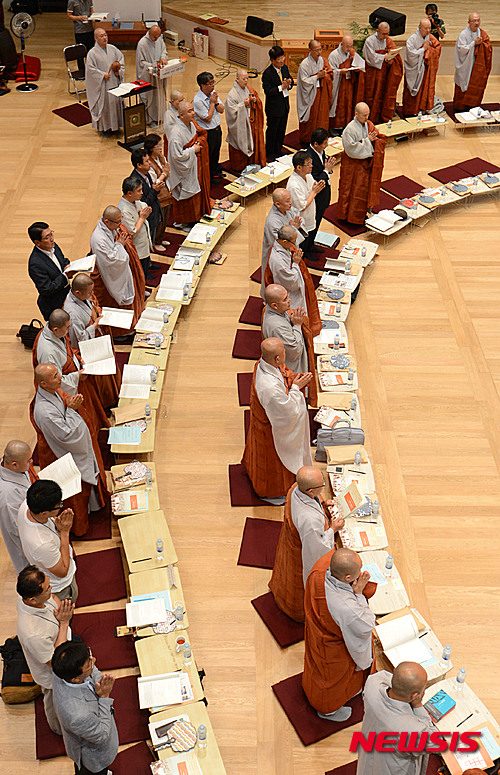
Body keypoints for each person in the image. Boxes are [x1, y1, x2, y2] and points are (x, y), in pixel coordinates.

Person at [30, 364, 109, 536]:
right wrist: (72, 411)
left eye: (58, 374)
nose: (60, 378)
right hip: (59, 453)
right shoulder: (44, 411)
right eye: (55, 376)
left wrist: (69, 407)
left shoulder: (53, 392)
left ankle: (93, 505)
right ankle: (77, 524)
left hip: (66, 445)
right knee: (75, 491)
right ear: (43, 383)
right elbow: (66, 435)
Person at [302, 547, 376, 721]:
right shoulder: (347, 606)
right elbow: (366, 625)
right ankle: (327, 710)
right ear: (348, 578)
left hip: (316, 631)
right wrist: (358, 595)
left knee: (315, 666)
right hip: (333, 645)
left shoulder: (321, 568)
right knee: (331, 680)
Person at [242, 337, 313, 503]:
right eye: (283, 352)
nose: (285, 353)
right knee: (272, 464)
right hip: (270, 430)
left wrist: (291, 380)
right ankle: (271, 492)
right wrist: (296, 388)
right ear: (277, 358)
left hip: (264, 418)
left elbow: (282, 375)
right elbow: (288, 413)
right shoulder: (270, 388)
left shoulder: (263, 362)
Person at [269, 467, 344, 621]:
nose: (323, 485)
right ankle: (299, 612)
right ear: (310, 491)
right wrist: (333, 529)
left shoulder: (294, 488)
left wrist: (322, 503)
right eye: (321, 484)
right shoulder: (310, 520)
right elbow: (318, 548)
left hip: (289, 543)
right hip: (301, 554)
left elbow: (312, 500)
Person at [16, 565, 75, 735]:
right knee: (56, 706)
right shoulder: (33, 633)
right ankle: (59, 730)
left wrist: (59, 608)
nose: (52, 589)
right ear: (32, 599)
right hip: (53, 673)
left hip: (63, 640)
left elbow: (54, 597)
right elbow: (57, 662)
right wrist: (64, 622)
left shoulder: (28, 598)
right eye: (47, 588)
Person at [33, 308, 109, 437]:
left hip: (75, 375)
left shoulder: (54, 332)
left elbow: (68, 349)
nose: (69, 330)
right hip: (67, 389)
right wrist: (77, 376)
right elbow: (55, 381)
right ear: (56, 329)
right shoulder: (48, 353)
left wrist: (78, 358)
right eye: (67, 328)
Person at [52, 640, 119, 775]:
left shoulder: (63, 670)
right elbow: (102, 734)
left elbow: (93, 672)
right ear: (76, 679)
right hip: (94, 756)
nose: (93, 660)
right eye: (89, 663)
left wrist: (99, 682)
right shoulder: (77, 715)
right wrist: (104, 696)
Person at [357, 662, 435, 775]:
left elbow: (385, 676)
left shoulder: (372, 684)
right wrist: (418, 705)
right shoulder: (413, 730)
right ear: (414, 695)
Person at [63, 273, 121, 408]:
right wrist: (94, 325)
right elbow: (80, 337)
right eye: (89, 292)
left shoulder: (80, 297)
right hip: (90, 348)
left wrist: (97, 311)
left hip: (98, 336)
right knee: (102, 378)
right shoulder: (72, 313)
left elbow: (90, 305)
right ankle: (107, 402)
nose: (91, 294)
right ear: (77, 292)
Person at [18, 479, 78, 602]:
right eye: (59, 505)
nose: (61, 507)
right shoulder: (41, 544)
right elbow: (63, 571)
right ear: (44, 513)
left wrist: (56, 522)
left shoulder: (27, 505)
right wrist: (65, 532)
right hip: (61, 587)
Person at [90, 205, 146, 333]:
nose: (120, 224)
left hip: (116, 269)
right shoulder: (99, 239)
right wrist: (120, 245)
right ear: (107, 222)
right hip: (108, 276)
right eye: (118, 222)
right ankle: (119, 332)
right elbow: (112, 261)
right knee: (114, 305)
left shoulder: (110, 227)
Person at [265, 224, 322, 340]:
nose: (295, 245)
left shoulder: (283, 245)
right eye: (293, 242)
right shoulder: (278, 260)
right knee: (296, 315)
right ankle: (299, 333)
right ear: (285, 241)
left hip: (293, 288)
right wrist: (295, 263)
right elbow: (291, 281)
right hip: (290, 292)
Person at [338, 102, 387, 225]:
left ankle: (360, 215)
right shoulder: (349, 129)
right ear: (356, 114)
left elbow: (378, 136)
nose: (366, 118)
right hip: (352, 167)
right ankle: (348, 217)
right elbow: (350, 149)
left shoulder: (368, 124)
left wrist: (375, 140)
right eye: (364, 115)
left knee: (362, 192)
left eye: (368, 115)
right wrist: (367, 141)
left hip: (364, 166)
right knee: (350, 192)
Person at [168, 100, 211, 230]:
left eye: (193, 110)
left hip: (193, 165)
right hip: (183, 169)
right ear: (181, 115)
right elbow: (177, 156)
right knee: (185, 195)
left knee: (195, 193)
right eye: (189, 111)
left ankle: (194, 218)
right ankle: (182, 222)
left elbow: (198, 136)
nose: (193, 113)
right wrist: (193, 150)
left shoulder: (191, 124)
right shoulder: (176, 134)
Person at [260, 189, 306, 299]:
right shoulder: (273, 221)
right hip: (277, 252)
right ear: (277, 204)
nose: (290, 203)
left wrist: (295, 227)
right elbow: (280, 241)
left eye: (290, 199)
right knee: (276, 279)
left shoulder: (286, 209)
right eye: (287, 201)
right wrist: (293, 228)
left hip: (288, 250)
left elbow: (297, 216)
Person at [0, 441, 36, 572]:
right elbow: (16, 529)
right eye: (28, 461)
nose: (31, 463)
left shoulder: (11, 466)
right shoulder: (7, 497)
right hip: (25, 540)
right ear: (14, 464)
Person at [224, 68, 266, 173]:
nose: (246, 81)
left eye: (247, 78)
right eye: (243, 79)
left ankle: (249, 163)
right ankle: (238, 167)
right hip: (239, 125)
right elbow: (231, 112)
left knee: (250, 142)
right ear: (237, 79)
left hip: (249, 123)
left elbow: (256, 99)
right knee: (239, 145)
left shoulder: (248, 89)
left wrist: (255, 101)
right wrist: (243, 105)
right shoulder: (232, 95)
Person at [85, 28, 124, 137]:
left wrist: (118, 71)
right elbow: (90, 71)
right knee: (105, 106)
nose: (104, 38)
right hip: (103, 85)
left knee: (114, 105)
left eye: (105, 35)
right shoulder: (92, 53)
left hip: (114, 83)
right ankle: (105, 128)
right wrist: (102, 75)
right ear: (95, 38)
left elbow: (121, 60)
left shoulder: (113, 49)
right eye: (101, 36)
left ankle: (115, 127)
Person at [28, 222, 71, 321]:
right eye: (47, 237)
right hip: (54, 305)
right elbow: (47, 289)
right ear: (37, 242)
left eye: (51, 234)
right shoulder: (35, 264)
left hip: (67, 296)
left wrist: (70, 266)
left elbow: (62, 261)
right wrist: (65, 276)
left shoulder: (53, 246)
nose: (52, 239)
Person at [286, 150, 325, 258]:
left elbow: (313, 186)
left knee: (312, 232)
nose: (311, 166)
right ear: (299, 167)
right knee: (304, 237)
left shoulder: (307, 175)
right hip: (301, 217)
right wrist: (314, 192)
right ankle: (305, 253)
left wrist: (318, 186)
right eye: (308, 164)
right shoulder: (293, 185)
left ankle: (311, 247)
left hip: (311, 210)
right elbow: (301, 206)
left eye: (311, 163)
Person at [362, 22, 403, 124]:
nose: (385, 36)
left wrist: (391, 60)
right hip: (372, 74)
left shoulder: (388, 41)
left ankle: (382, 118)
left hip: (384, 74)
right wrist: (384, 57)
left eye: (387, 34)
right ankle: (371, 120)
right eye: (383, 34)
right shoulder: (369, 41)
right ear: (377, 31)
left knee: (383, 95)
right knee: (372, 96)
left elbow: (395, 55)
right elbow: (370, 58)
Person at [262, 284, 308, 374]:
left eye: (287, 296)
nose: (289, 300)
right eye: (285, 299)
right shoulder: (277, 326)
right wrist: (297, 325)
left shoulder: (275, 310)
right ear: (275, 305)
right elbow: (295, 350)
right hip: (290, 367)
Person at [131, 148, 167, 256]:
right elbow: (144, 202)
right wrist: (155, 190)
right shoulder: (135, 181)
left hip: (153, 211)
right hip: (146, 216)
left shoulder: (145, 174)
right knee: (146, 240)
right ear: (139, 165)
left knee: (151, 236)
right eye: (146, 161)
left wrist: (156, 189)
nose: (150, 163)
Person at [296, 40, 333, 146]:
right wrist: (317, 76)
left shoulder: (323, 60)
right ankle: (307, 140)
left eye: (320, 49)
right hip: (310, 94)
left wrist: (325, 76)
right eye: (316, 50)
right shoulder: (305, 64)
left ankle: (321, 139)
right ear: (310, 51)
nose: (319, 52)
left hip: (322, 92)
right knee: (311, 117)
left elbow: (330, 74)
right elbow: (304, 81)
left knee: (321, 116)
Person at [402, 18, 441, 117]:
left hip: (426, 70)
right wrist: (423, 50)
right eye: (425, 28)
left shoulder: (430, 37)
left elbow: (437, 47)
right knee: (412, 94)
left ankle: (423, 110)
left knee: (425, 90)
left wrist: (430, 51)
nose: (428, 31)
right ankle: (411, 111)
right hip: (415, 70)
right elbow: (411, 55)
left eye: (429, 28)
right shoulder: (412, 39)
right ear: (420, 28)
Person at [453, 13, 492, 112]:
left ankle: (473, 107)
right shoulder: (463, 34)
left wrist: (482, 44)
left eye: (478, 20)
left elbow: (488, 46)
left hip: (476, 65)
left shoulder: (482, 34)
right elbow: (461, 50)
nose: (476, 23)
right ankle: (460, 108)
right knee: (462, 86)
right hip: (465, 65)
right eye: (474, 21)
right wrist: (474, 44)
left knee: (475, 85)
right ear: (468, 22)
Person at [262, 45, 294, 161]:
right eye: (278, 59)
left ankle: (278, 148)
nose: (281, 61)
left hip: (284, 105)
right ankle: (270, 152)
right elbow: (268, 91)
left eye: (282, 57)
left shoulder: (284, 68)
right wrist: (281, 87)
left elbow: (289, 79)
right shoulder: (267, 74)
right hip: (274, 108)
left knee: (281, 129)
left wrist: (289, 82)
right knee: (272, 130)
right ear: (272, 60)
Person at [118, 176, 153, 281]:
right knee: (138, 275)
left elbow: (143, 206)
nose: (142, 193)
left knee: (145, 271)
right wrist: (142, 217)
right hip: (136, 247)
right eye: (139, 191)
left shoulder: (135, 200)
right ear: (129, 193)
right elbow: (132, 232)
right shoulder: (123, 210)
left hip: (144, 242)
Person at [328, 36, 366, 132]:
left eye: (351, 46)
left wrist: (357, 69)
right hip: (339, 85)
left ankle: (347, 125)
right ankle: (335, 127)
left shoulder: (351, 53)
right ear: (341, 44)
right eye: (347, 47)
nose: (349, 49)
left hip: (349, 84)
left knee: (348, 104)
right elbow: (330, 71)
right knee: (339, 105)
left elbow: (360, 64)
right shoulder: (334, 55)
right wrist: (339, 71)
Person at [193, 71, 225, 182]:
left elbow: (221, 109)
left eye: (213, 82)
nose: (213, 85)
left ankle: (215, 171)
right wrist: (212, 103)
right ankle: (208, 178)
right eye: (210, 83)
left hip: (217, 128)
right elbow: (207, 118)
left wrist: (215, 103)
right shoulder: (198, 100)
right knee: (209, 155)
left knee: (216, 151)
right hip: (207, 132)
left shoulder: (213, 93)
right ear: (203, 85)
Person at [135, 25, 168, 127]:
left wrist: (162, 58)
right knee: (149, 97)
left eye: (158, 36)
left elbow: (164, 51)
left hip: (158, 75)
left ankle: (158, 117)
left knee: (158, 96)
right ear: (149, 34)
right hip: (147, 75)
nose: (156, 39)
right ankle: (149, 120)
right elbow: (141, 62)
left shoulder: (159, 40)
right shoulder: (142, 43)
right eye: (154, 37)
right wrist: (152, 66)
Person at [143, 133, 172, 248]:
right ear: (151, 148)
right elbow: (155, 182)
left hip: (167, 191)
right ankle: (156, 242)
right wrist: (164, 174)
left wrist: (165, 172)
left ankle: (161, 238)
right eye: (158, 146)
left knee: (165, 219)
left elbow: (167, 171)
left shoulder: (160, 158)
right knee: (159, 220)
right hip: (158, 195)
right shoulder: (149, 162)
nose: (161, 148)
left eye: (161, 145)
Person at [309, 127, 337, 238]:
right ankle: (308, 248)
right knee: (313, 224)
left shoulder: (320, 151)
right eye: (324, 143)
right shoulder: (309, 158)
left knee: (318, 222)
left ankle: (312, 244)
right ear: (316, 144)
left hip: (323, 196)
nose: (326, 145)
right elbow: (316, 180)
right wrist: (326, 170)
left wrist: (327, 169)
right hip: (316, 198)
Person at [67, 0, 94, 71]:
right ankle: (82, 70)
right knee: (80, 52)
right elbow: (69, 16)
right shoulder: (72, 1)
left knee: (91, 51)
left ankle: (91, 69)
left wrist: (96, 17)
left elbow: (91, 12)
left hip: (90, 28)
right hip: (79, 30)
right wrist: (79, 18)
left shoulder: (89, 0)